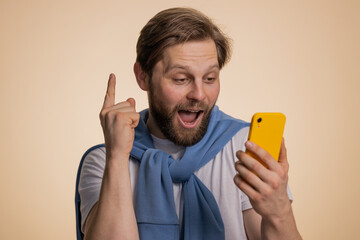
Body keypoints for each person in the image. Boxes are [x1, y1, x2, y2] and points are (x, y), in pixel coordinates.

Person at [78, 7, 302, 240]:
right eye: (181, 79)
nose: (199, 94)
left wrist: (280, 212)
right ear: (143, 76)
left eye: (210, 79)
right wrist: (116, 159)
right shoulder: (103, 161)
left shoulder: (245, 148)